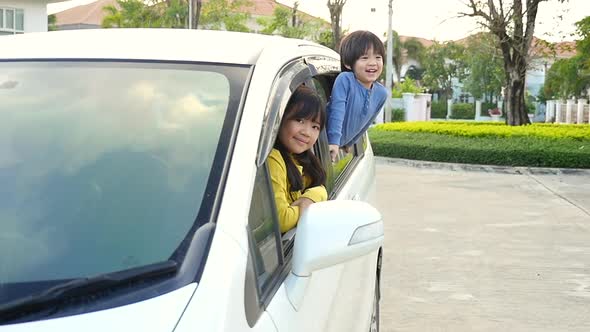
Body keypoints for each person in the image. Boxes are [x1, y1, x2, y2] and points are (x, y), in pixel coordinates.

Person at [267, 85, 328, 233]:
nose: (307, 132)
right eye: (300, 120)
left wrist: (315, 195)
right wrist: (311, 202)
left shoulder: (302, 159)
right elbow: (281, 221)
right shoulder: (272, 158)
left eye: (315, 126)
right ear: (280, 118)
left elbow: (319, 188)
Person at [327, 30, 388, 161]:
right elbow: (337, 111)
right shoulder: (345, 80)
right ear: (348, 64)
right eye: (364, 58)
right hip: (322, 142)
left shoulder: (381, 93)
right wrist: (334, 142)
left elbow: (365, 124)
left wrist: (351, 142)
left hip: (339, 146)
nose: (373, 62)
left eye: (378, 57)